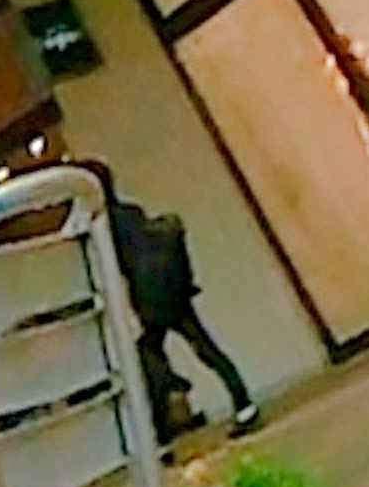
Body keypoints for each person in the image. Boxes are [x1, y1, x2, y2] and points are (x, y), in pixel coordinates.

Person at [97, 168, 259, 442]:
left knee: (151, 361)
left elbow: (118, 269)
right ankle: (244, 404)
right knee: (206, 349)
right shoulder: (132, 211)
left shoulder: (103, 227)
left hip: (148, 301)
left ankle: (162, 437)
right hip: (173, 291)